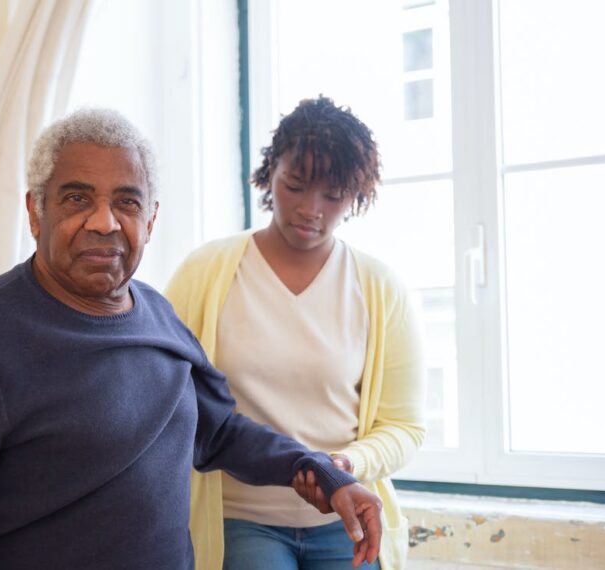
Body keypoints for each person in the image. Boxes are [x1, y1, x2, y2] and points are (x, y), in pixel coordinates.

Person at [0, 108, 383, 570]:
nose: (104, 222)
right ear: (35, 211)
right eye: (76, 198)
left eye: (126, 202)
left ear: (150, 221)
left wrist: (322, 471)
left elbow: (219, 432)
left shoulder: (158, 316)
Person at [165, 95, 426, 570]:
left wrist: (346, 465)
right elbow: (169, 398)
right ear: (270, 173)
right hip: (239, 517)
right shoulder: (204, 274)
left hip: (345, 516)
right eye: (296, 186)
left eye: (332, 196)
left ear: (358, 194)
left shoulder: (379, 288)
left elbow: (404, 426)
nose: (310, 210)